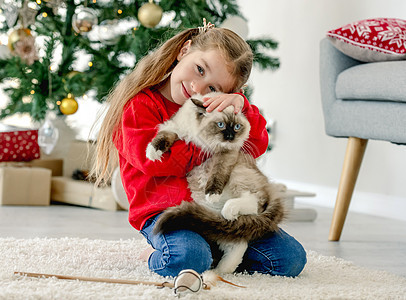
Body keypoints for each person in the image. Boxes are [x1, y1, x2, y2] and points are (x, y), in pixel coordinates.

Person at [92, 20, 307, 278]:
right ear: (185, 50)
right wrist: (210, 144)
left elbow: (257, 144)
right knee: (189, 258)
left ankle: (214, 250)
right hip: (168, 212)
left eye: (214, 89)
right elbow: (154, 160)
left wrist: (241, 106)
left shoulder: (218, 109)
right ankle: (172, 253)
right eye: (199, 69)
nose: (197, 88)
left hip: (221, 211)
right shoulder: (140, 105)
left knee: (290, 259)